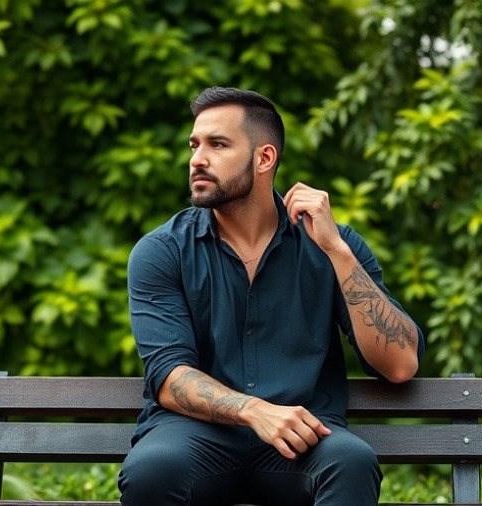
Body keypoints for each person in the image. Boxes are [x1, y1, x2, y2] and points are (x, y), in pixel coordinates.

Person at [118, 86, 424, 506]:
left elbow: (401, 365)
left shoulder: (331, 245)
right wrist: (254, 411)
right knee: (151, 469)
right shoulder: (162, 251)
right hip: (194, 436)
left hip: (304, 440)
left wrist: (336, 251)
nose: (197, 159)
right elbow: (169, 377)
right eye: (194, 145)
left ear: (265, 158)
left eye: (218, 144)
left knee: (351, 462)